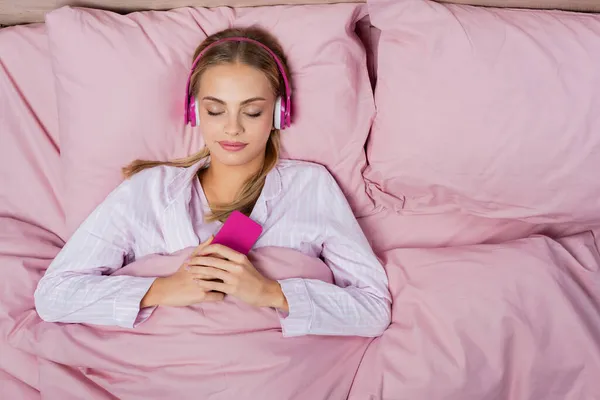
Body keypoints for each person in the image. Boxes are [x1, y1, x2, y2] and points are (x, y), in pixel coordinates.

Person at [34, 27, 391, 338]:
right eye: (215, 110)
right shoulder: (148, 190)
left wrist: (271, 293)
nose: (232, 128)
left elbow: (374, 308)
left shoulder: (310, 188)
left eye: (252, 112)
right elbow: (53, 296)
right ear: (193, 112)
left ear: (280, 112)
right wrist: (163, 289)